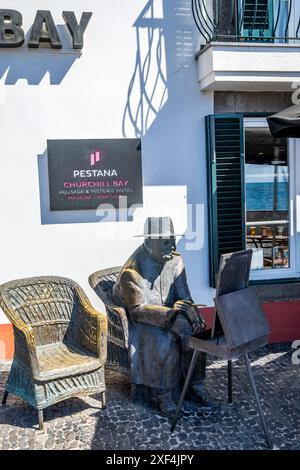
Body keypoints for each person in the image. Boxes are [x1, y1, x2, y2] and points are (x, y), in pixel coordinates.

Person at [112, 216, 216, 417]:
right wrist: (170, 314)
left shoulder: (176, 261)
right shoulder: (132, 272)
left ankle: (195, 385)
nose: (173, 246)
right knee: (165, 340)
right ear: (149, 243)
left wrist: (191, 312)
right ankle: (163, 396)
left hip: (169, 314)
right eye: (166, 242)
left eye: (173, 240)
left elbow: (184, 295)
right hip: (143, 322)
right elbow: (137, 310)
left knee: (194, 333)